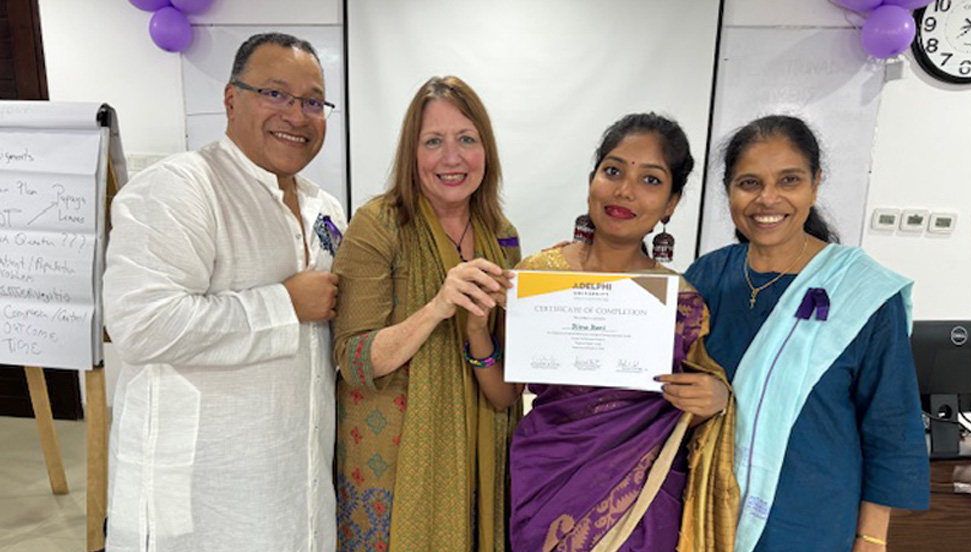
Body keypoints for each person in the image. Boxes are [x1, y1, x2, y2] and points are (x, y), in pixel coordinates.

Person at [103, 33, 344, 551]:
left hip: (295, 483)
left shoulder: (325, 208)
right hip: (202, 493)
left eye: (312, 101)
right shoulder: (179, 188)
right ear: (231, 99)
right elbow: (142, 327)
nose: (296, 115)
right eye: (275, 94)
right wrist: (285, 304)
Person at [684, 115, 929, 552]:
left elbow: (890, 424)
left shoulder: (863, 292)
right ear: (728, 191)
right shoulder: (706, 276)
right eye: (749, 183)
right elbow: (665, 383)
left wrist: (871, 538)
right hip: (704, 509)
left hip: (809, 519)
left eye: (789, 180)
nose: (768, 199)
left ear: (815, 185)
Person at [509, 113, 737, 552]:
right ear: (592, 180)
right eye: (612, 171)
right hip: (547, 478)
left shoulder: (682, 300)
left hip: (645, 493)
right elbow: (504, 392)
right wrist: (479, 324)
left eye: (650, 180)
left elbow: (707, 396)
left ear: (671, 204)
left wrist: (717, 399)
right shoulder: (539, 276)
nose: (625, 191)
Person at [331, 76, 522, 552]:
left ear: (487, 151)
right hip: (392, 465)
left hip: (481, 454)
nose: (451, 158)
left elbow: (508, 386)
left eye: (466, 139)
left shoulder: (503, 235)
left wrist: (481, 329)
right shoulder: (378, 225)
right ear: (411, 153)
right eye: (433, 141)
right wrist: (439, 307)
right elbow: (355, 361)